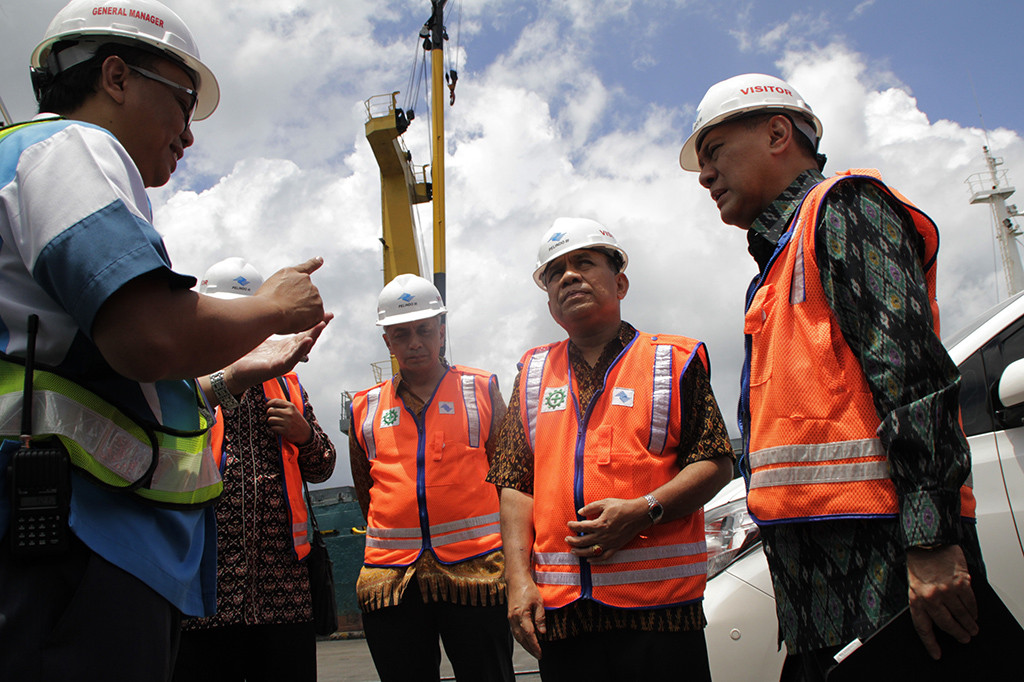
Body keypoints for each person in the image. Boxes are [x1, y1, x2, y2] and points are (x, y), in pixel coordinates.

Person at [0, 3, 328, 681]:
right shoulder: (69, 149)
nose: (188, 133)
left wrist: (226, 376)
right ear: (116, 76)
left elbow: (92, 385)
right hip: (79, 545)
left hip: (70, 543)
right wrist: (271, 307)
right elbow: (149, 338)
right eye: (182, 102)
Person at [680, 73, 1024, 680]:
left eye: (714, 153)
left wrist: (932, 538)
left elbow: (912, 376)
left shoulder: (846, 209)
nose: (704, 177)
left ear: (778, 133)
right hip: (820, 576)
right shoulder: (778, 261)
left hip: (890, 558)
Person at [487, 218, 735, 681]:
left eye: (584, 263)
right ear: (548, 301)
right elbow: (514, 484)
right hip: (562, 614)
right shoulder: (533, 374)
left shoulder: (672, 360)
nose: (569, 277)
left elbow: (717, 462)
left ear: (620, 282)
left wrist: (644, 511)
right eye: (555, 271)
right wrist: (519, 580)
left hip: (661, 610)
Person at [172, 258, 336, 682]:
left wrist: (305, 436)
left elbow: (323, 467)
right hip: (205, 587)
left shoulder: (288, 385)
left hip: (283, 591)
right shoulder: (181, 383)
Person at [348, 273, 515, 682]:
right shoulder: (365, 408)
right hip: (391, 580)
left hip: (476, 573)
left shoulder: (480, 390)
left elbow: (512, 479)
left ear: (442, 330)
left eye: (424, 330)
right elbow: (365, 490)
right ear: (387, 341)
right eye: (401, 334)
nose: (415, 343)